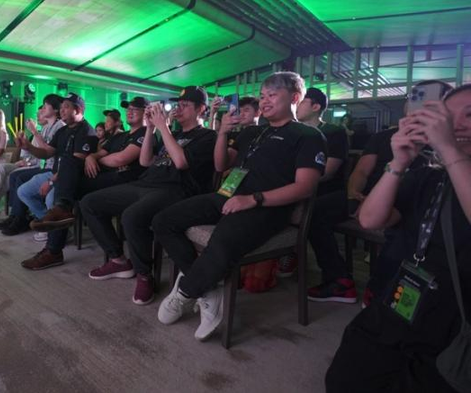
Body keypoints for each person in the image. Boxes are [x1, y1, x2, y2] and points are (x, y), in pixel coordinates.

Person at [153, 72, 326, 341]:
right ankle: (209, 289)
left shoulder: (307, 135)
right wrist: (222, 132)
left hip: (267, 207)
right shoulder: (253, 132)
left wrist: (253, 199)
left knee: (222, 239)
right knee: (163, 221)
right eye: (262, 96)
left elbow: (305, 187)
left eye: (272, 95)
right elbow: (221, 164)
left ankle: (187, 291)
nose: (264, 101)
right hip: (228, 195)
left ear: (295, 98)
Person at [326, 83, 471, 393]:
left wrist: (448, 149)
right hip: (406, 294)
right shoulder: (428, 174)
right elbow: (370, 219)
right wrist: (399, 163)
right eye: (448, 117)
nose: (456, 125)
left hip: (458, 315)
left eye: (469, 115)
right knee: (345, 378)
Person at [306, 80, 453, 304]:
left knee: (403, 225)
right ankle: (339, 280)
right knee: (314, 212)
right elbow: (361, 171)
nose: (419, 106)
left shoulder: (446, 145)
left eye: (433, 102)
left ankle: (383, 286)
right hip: (366, 195)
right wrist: (353, 194)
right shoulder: (383, 137)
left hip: (409, 203)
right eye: (414, 98)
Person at [80, 86, 217, 305]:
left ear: (201, 109)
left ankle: (144, 275)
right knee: (89, 202)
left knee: (131, 217)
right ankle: (118, 260)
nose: (178, 109)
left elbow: (181, 162)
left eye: (185, 105)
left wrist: (163, 127)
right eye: (178, 105)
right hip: (145, 183)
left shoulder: (208, 136)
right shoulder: (174, 134)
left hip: (175, 190)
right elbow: (146, 161)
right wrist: (150, 128)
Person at [24, 96, 150, 270]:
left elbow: (121, 159)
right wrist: (92, 157)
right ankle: (59, 223)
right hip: (105, 176)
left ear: (146, 113)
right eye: (128, 109)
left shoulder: (146, 134)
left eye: (135, 109)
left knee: (71, 192)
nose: (130, 111)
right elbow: (102, 152)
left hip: (124, 179)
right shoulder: (121, 136)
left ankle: (55, 246)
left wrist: (94, 159)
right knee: (68, 169)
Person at [15, 93, 98, 268]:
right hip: (54, 174)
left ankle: (53, 251)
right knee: (23, 191)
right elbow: (47, 153)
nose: (62, 110)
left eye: (66, 107)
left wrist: (52, 182)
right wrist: (28, 146)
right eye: (61, 107)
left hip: (72, 179)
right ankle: (52, 225)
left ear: (78, 110)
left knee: (52, 200)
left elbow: (73, 166)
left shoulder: (87, 131)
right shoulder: (62, 130)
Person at [278, 87, 348, 278]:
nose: (296, 105)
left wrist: (291, 184)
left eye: (301, 102)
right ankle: (280, 253)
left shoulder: (334, 132)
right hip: (300, 188)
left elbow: (328, 172)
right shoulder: (294, 132)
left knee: (311, 212)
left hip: (329, 192)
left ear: (316, 107)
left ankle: (337, 276)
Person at [0, 95, 65, 236]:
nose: (42, 110)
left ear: (55, 110)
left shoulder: (60, 127)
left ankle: (23, 218)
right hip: (44, 165)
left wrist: (34, 132)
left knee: (20, 178)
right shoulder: (46, 127)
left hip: (51, 167)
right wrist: (25, 145)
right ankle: (16, 215)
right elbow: (38, 151)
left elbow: (47, 151)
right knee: (15, 176)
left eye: (45, 106)